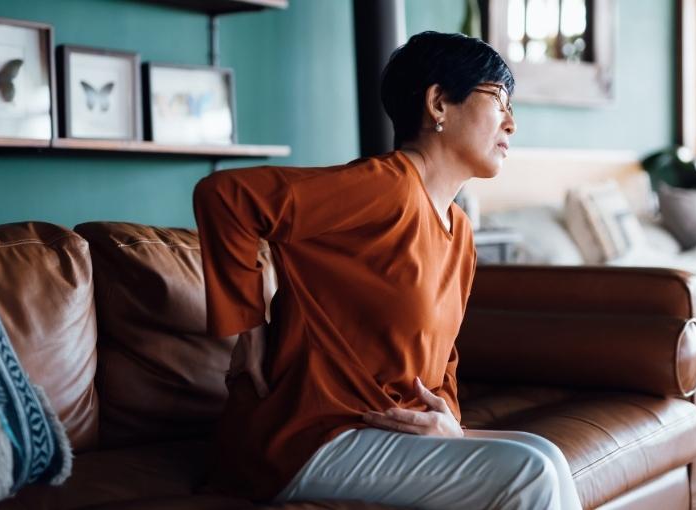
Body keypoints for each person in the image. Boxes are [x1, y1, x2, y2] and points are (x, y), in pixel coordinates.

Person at [193, 31, 582, 510]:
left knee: (546, 454)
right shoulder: (384, 188)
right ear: (439, 103)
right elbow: (226, 197)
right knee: (530, 473)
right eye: (499, 99)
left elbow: (444, 361)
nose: (512, 123)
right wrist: (248, 328)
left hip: (388, 435)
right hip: (308, 438)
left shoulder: (459, 232)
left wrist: (451, 425)